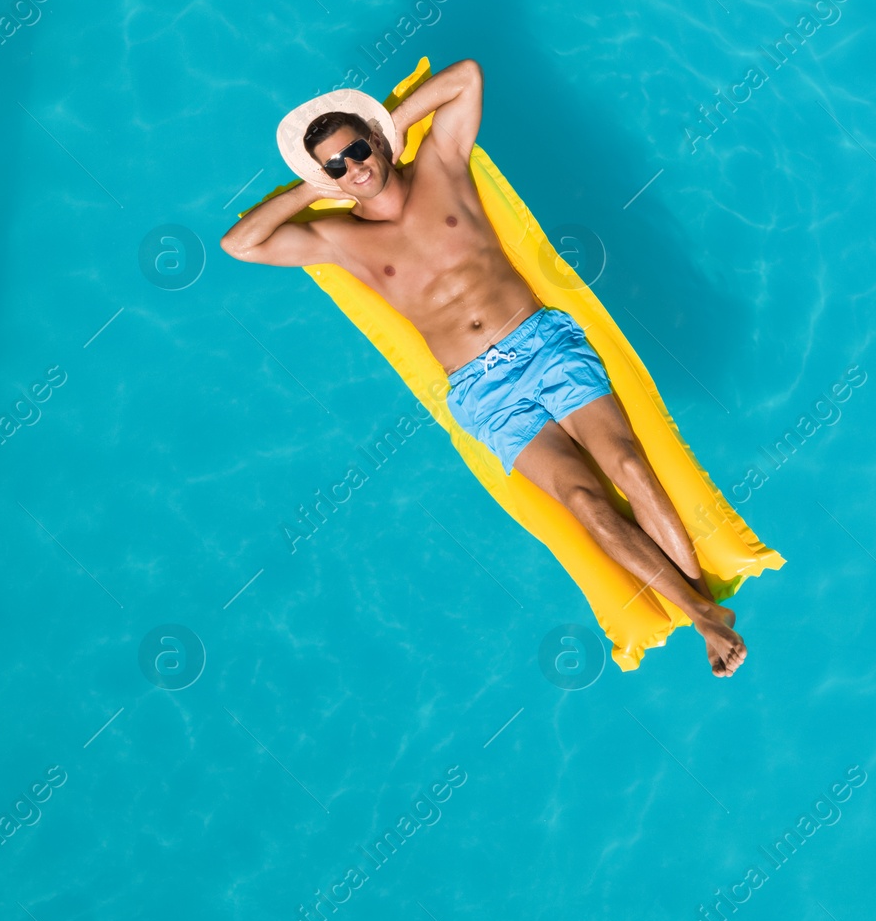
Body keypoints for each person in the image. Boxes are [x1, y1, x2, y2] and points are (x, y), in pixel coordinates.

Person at [219, 59, 747, 676]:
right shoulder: (338, 239)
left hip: (540, 345)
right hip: (482, 392)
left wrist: (387, 127)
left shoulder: (442, 166)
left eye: (356, 150)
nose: (354, 168)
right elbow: (240, 244)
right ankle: (703, 615)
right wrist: (317, 187)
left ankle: (705, 614)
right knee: (584, 501)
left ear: (374, 140)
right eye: (335, 164)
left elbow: (467, 76)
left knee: (627, 464)